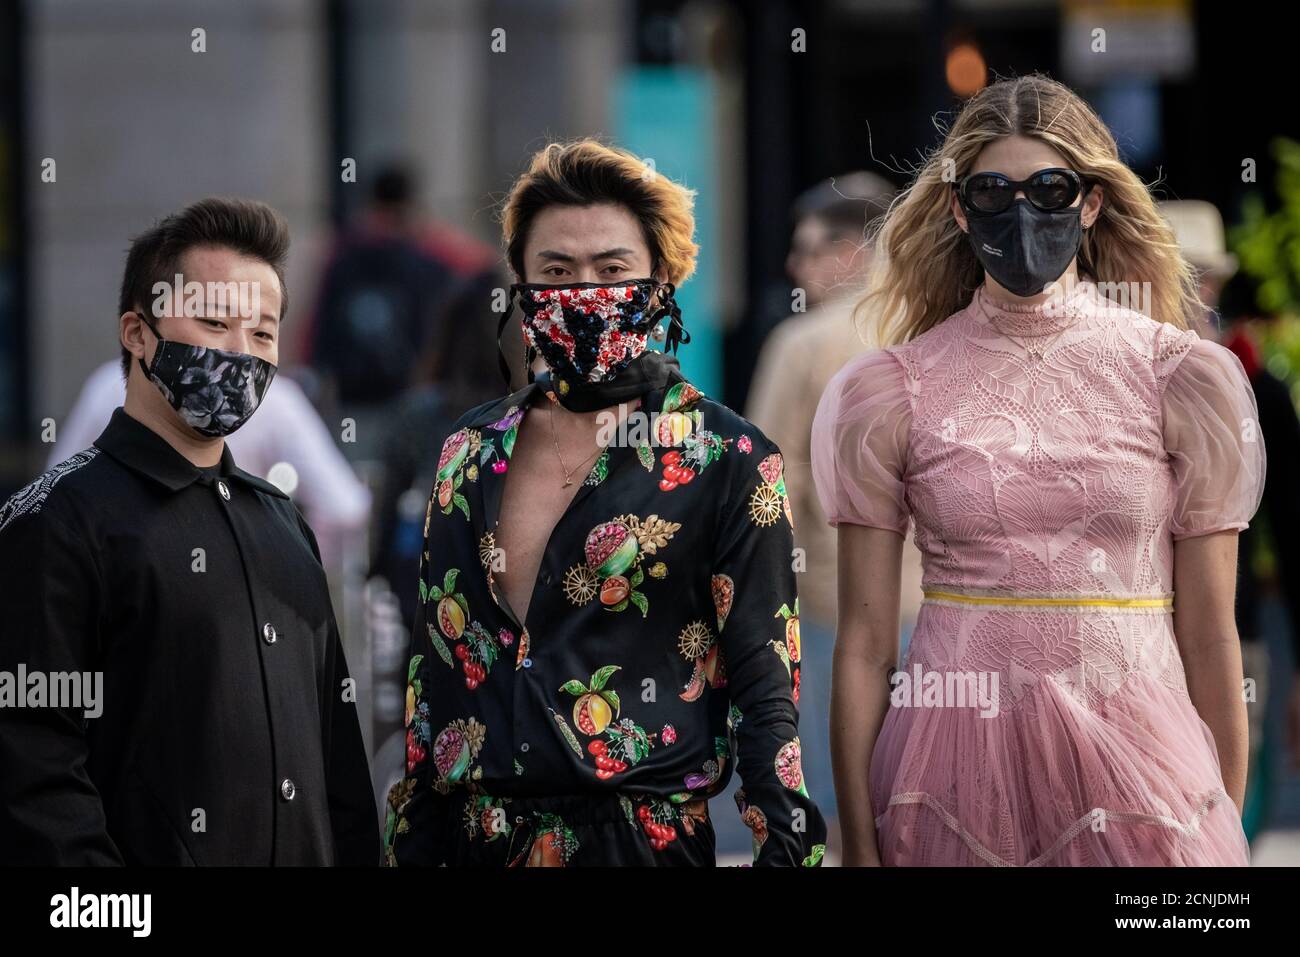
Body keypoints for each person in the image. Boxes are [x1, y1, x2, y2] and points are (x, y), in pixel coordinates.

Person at [812, 75, 1265, 866]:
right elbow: (863, 645)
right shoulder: (890, 391)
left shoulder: (1179, 376)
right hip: (947, 769)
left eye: (1051, 189)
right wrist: (856, 841)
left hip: (1146, 775)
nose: (1023, 213)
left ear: (1090, 201)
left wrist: (1223, 827)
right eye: (992, 191)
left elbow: (1208, 632)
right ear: (958, 208)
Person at [383, 140, 826, 866]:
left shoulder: (727, 458)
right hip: (477, 843)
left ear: (661, 283)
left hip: (641, 846)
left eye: (612, 269)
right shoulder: (468, 451)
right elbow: (434, 686)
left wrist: (786, 851)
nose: (583, 291)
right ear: (521, 284)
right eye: (556, 270)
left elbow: (764, 689)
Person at [0, 198, 379, 865]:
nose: (241, 352)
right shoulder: (56, 522)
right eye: (212, 321)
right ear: (137, 333)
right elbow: (33, 774)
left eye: (263, 333)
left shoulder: (284, 523)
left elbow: (336, 762)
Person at [746, 171, 924, 844]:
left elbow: (765, 476)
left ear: (854, 250)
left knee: (844, 784)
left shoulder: (803, 341)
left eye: (810, 248)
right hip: (952, 602)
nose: (796, 265)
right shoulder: (938, 324)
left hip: (834, 595)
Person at [45, 359, 371, 571]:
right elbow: (345, 509)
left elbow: (52, 501)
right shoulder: (276, 399)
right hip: (238, 599)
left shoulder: (107, 385)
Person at [301, 162, 496, 460]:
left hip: (354, 402)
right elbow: (486, 268)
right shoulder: (431, 257)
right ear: (410, 203)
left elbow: (315, 332)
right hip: (412, 396)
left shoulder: (341, 256)